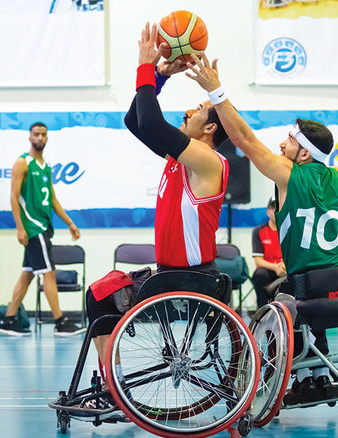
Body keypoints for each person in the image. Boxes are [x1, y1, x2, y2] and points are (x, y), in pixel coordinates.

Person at [186, 53, 338, 404]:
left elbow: (244, 139)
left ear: (304, 154)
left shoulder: (288, 174)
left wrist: (216, 91)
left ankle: (300, 376)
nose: (281, 144)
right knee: (302, 298)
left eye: (289, 140)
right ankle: (319, 373)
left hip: (304, 287)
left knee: (286, 300)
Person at [86, 22, 230, 377]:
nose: (187, 112)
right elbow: (135, 121)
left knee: (99, 297)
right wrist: (160, 76)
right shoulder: (181, 159)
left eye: (197, 110)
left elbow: (151, 122)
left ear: (210, 128)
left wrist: (145, 66)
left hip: (189, 280)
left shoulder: (207, 160)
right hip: (172, 276)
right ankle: (113, 381)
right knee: (101, 294)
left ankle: (113, 383)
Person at [0, 122, 85, 337]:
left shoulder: (45, 166)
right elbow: (13, 197)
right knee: (49, 273)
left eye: (43, 134)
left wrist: (70, 223)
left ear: (47, 138)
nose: (40, 138)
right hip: (33, 227)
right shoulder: (22, 163)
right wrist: (20, 227)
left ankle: (8, 320)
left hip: (44, 226)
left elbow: (53, 199)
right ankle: (60, 322)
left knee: (27, 275)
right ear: (30, 137)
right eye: (36, 134)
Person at [251, 198, 286, 309]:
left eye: (278, 208)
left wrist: (284, 266)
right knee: (259, 275)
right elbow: (258, 261)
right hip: (269, 269)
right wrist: (276, 267)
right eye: (273, 208)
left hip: (285, 268)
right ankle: (263, 310)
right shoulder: (258, 231)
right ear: (267, 211)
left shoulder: (288, 229)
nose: (275, 211)